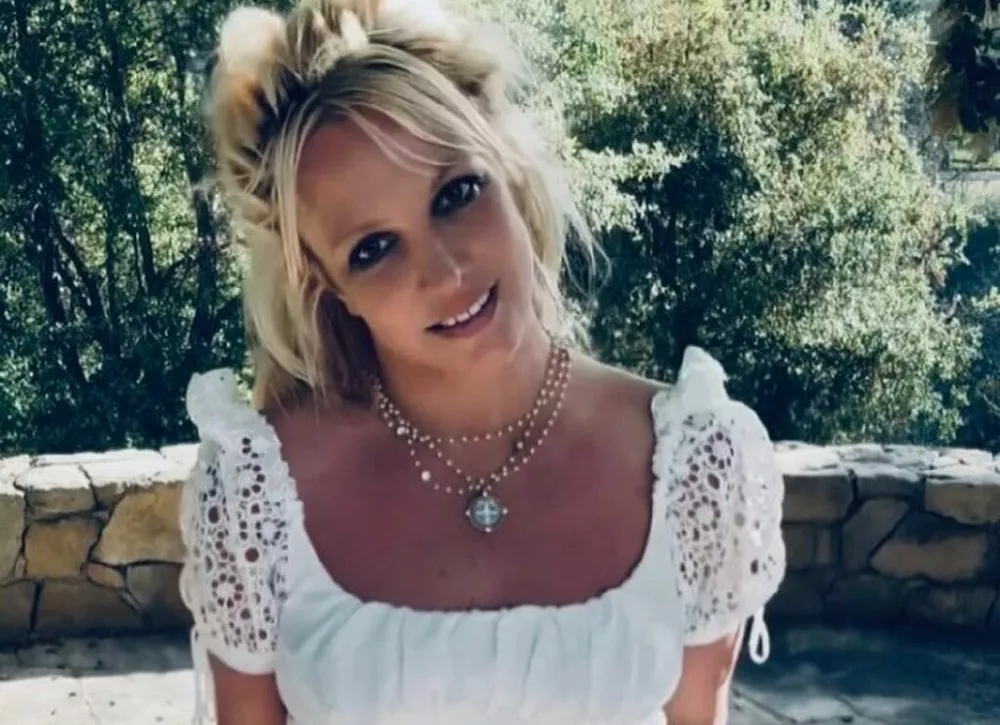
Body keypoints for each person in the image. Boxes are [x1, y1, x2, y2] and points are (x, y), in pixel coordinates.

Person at [177, 0, 788, 723]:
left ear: (508, 167)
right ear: (328, 286)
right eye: (374, 249)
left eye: (456, 194)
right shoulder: (253, 491)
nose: (444, 271)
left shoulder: (697, 460)